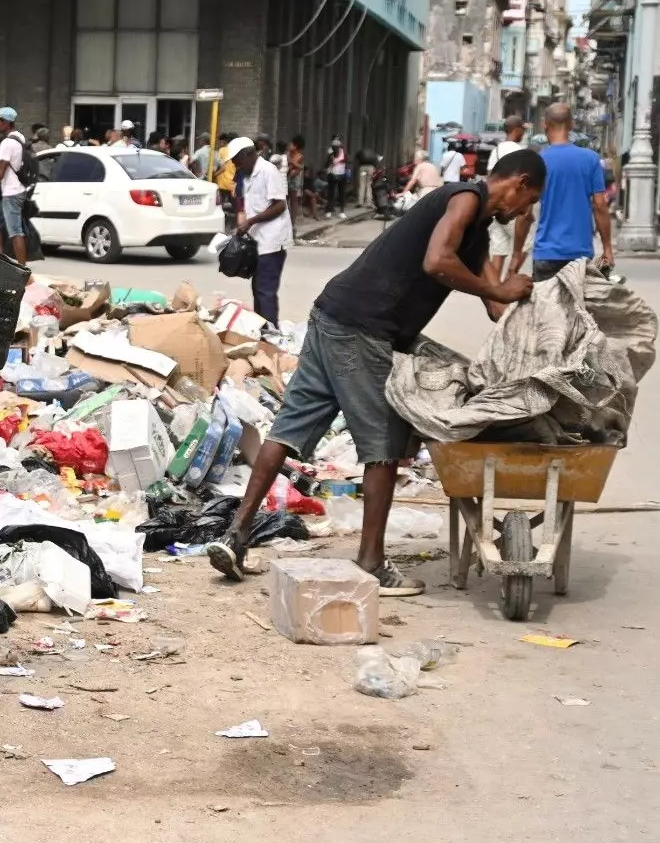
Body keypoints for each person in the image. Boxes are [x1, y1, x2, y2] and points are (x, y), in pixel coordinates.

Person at [204, 150, 545, 595]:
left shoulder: (476, 228)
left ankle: (237, 535)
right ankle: (372, 562)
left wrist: (530, 316)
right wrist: (500, 288)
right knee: (383, 444)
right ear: (518, 183)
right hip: (361, 329)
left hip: (332, 314)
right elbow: (437, 261)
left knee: (287, 429)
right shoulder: (463, 199)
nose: (523, 213)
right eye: (527, 201)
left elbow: (495, 302)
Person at [510, 102, 616, 285]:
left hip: (546, 254)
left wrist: (516, 254)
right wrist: (607, 248)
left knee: (545, 303)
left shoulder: (537, 162)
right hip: (580, 256)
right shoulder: (590, 159)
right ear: (571, 125)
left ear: (545, 125)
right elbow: (599, 206)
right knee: (576, 303)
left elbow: (524, 214)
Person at [228, 136, 293, 327]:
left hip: (272, 241)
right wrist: (244, 223)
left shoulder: (268, 171)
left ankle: (270, 333)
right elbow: (251, 204)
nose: (238, 167)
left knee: (265, 291)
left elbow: (280, 205)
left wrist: (251, 221)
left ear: (249, 154)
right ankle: (262, 330)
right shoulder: (248, 174)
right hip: (258, 239)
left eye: (238, 162)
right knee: (257, 288)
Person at [483, 115, 527, 283]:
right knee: (525, 244)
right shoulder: (519, 151)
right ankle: (509, 281)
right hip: (513, 206)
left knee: (499, 249)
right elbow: (524, 181)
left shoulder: (497, 150)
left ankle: (494, 288)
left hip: (496, 206)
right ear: (516, 129)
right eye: (522, 129)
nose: (523, 133)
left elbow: (490, 177)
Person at [0, 105, 30, 263]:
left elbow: (0, 172)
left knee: (15, 232)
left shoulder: (7, 142)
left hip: (11, 192)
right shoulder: (19, 137)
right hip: (15, 190)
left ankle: (22, 269)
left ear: (6, 122)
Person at [325, 138, 350, 218]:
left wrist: (347, 172)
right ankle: (329, 210)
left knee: (342, 193)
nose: (334, 149)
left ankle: (342, 211)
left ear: (339, 147)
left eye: (335, 147)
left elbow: (347, 162)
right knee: (331, 194)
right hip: (333, 175)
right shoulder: (331, 155)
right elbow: (326, 165)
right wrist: (330, 161)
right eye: (333, 147)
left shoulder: (344, 153)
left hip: (342, 175)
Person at [286, 135, 305, 221]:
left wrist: (291, 163)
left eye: (292, 144)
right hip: (286, 178)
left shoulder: (299, 156)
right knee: (285, 200)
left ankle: (292, 221)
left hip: (294, 180)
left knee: (293, 200)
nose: (289, 145)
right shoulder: (288, 154)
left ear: (296, 146)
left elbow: (299, 169)